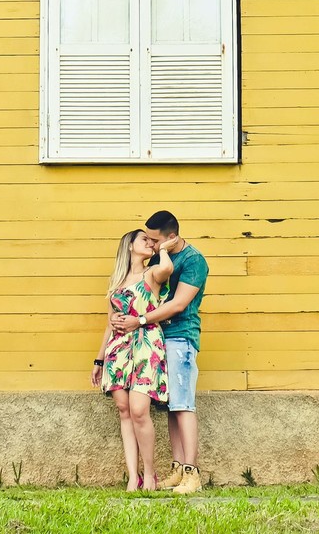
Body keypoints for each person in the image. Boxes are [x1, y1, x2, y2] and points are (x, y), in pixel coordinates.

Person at [112, 210, 209, 495]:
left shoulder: (193, 261)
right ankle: (178, 470)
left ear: (171, 237)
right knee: (170, 406)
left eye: (156, 241)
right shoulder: (157, 259)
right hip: (158, 339)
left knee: (183, 405)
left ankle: (192, 474)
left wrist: (140, 320)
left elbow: (178, 304)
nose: (152, 246)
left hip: (181, 337)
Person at [91, 229, 176, 491]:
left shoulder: (151, 274)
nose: (149, 243)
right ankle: (132, 476)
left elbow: (167, 269)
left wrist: (162, 250)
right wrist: (99, 359)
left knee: (140, 410)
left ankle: (150, 475)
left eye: (152, 241)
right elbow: (109, 324)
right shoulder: (116, 282)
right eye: (144, 240)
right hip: (118, 350)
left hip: (146, 344)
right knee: (124, 412)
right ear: (129, 246)